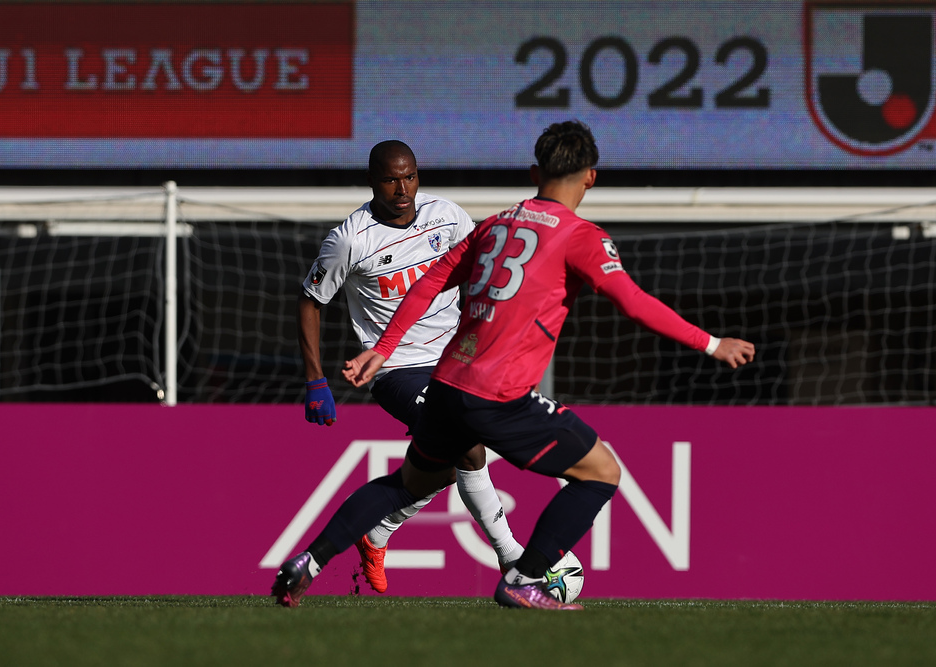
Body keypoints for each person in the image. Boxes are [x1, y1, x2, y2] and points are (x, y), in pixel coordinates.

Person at [274, 121, 755, 610]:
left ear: (534, 172)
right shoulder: (580, 236)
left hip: (447, 379)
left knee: (410, 483)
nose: (403, 189)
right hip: (495, 390)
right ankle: (520, 574)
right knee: (601, 472)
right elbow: (632, 303)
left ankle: (309, 561)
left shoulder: (493, 224)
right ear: (591, 177)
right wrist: (712, 343)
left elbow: (430, 282)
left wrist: (382, 346)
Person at [296, 140, 524, 594]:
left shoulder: (448, 217)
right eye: (390, 180)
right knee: (465, 443)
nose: (402, 189)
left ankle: (378, 531)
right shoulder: (350, 239)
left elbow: (481, 271)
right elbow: (310, 301)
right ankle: (514, 559)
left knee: (444, 463)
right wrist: (315, 379)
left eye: (410, 177)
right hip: (396, 369)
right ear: (371, 181)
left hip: (457, 360)